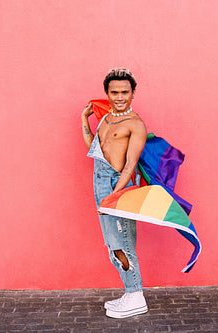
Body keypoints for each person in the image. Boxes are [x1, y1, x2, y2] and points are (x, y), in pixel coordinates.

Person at [81, 68, 148, 318]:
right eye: (114, 92)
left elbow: (130, 166)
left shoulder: (136, 124)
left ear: (133, 93)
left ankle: (136, 295)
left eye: (125, 92)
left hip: (115, 185)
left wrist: (113, 196)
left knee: (123, 243)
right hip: (99, 181)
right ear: (107, 93)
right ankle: (130, 291)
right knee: (112, 244)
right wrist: (84, 119)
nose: (120, 97)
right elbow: (94, 149)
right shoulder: (105, 118)